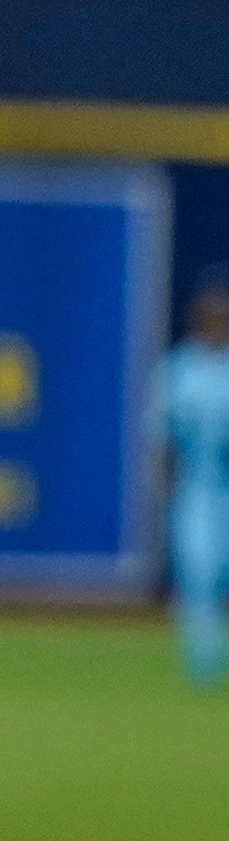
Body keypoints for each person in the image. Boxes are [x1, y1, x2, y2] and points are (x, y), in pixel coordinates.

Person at [161, 269, 229, 690]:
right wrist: (165, 490)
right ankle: (203, 663)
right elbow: (163, 439)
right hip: (197, 486)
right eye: (211, 317)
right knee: (199, 572)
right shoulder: (179, 370)